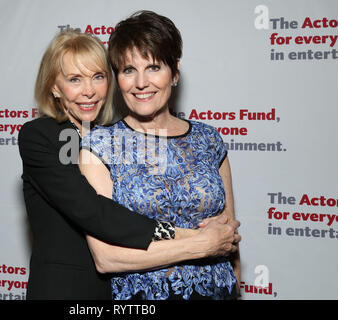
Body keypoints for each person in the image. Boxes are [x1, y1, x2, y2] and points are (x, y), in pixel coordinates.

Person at [18, 30, 240, 300]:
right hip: (67, 290)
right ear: (54, 86)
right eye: (74, 79)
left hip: (115, 291)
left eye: (98, 77)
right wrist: (193, 238)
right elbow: (96, 212)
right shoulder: (41, 136)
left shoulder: (113, 136)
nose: (88, 91)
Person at [79, 11, 241, 300]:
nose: (141, 82)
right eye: (129, 70)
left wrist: (234, 280)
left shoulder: (208, 140)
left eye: (153, 67)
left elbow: (230, 238)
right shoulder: (99, 146)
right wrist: (203, 245)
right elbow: (107, 257)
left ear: (174, 72)